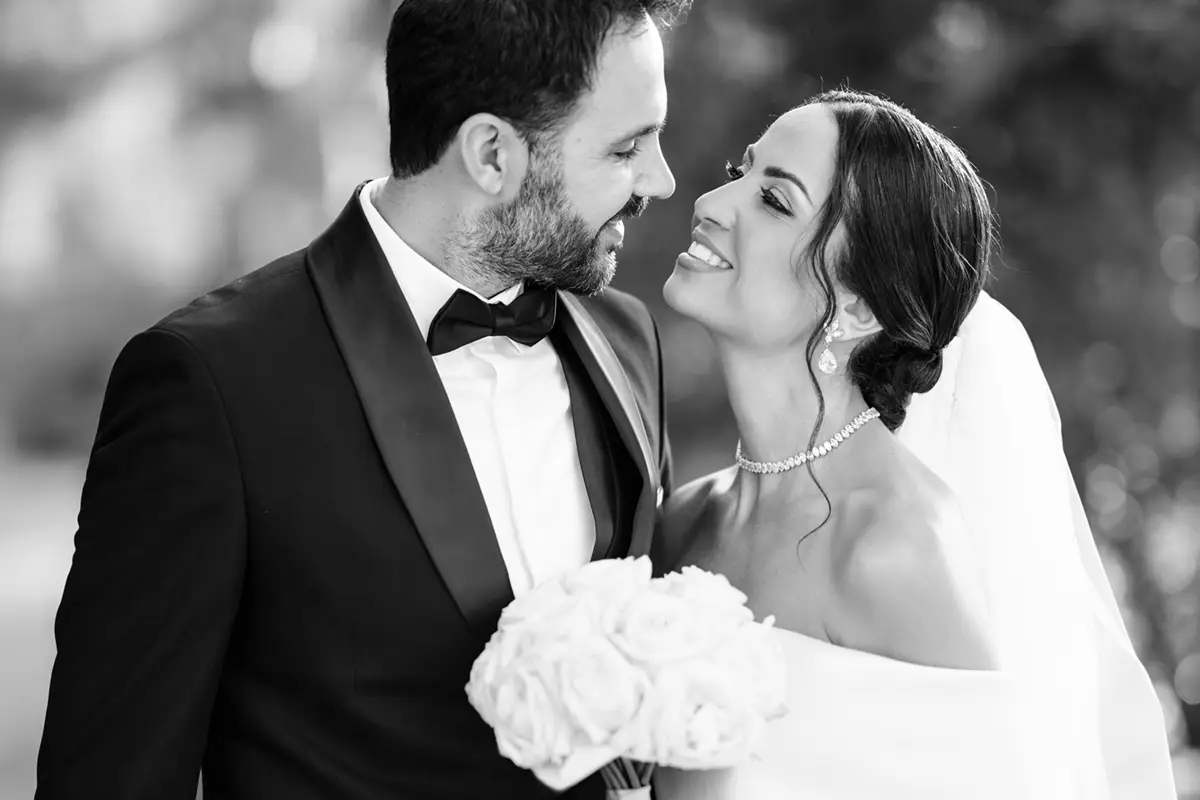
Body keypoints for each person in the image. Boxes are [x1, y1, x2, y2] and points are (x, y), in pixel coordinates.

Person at [34, 1, 689, 798]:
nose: (661, 179)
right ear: (491, 154)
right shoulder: (214, 383)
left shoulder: (626, 341)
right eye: (627, 147)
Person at [652, 89, 1176, 799]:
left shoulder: (891, 546)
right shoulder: (684, 518)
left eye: (775, 201)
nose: (713, 201)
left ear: (861, 305)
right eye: (739, 171)